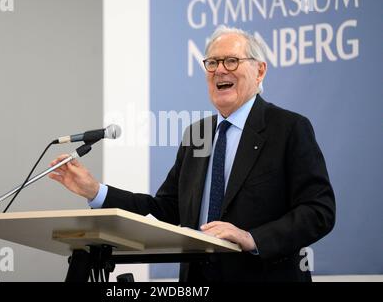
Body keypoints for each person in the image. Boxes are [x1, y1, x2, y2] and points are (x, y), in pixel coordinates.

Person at [48, 25, 336, 282]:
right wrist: (96, 191)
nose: (219, 70)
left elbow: (319, 211)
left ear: (260, 71)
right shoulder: (197, 134)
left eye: (231, 61)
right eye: (212, 62)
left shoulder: (288, 128)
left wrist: (250, 238)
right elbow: (166, 209)